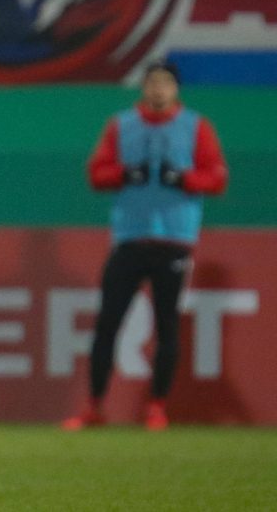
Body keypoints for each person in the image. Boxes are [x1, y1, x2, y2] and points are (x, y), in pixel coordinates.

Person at [63, 61, 228, 431]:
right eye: (152, 82)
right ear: (142, 88)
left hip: (174, 239)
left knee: (167, 326)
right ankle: (95, 406)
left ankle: (156, 407)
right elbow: (96, 173)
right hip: (129, 238)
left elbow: (217, 177)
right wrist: (123, 174)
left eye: (165, 83)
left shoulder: (195, 127)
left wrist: (185, 180)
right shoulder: (122, 126)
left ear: (176, 90)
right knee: (108, 324)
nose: (158, 90)